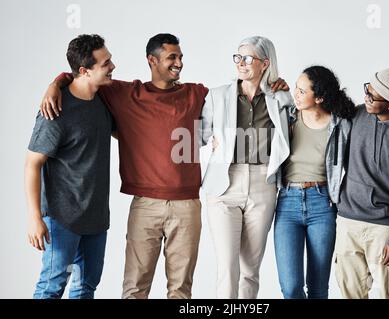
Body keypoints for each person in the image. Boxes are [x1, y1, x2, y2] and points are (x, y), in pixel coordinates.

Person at [40, 33, 287, 299]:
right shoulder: (125, 93)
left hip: (187, 204)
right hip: (145, 204)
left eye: (180, 57)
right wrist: (56, 83)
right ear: (152, 60)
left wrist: (275, 84)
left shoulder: (197, 94)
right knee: (135, 286)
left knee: (181, 289)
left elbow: (239, 96)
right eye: (172, 57)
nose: (179, 63)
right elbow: (83, 77)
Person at [199, 36, 293, 298]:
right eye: (238, 57)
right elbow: (199, 134)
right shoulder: (217, 95)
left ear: (265, 63)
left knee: (250, 269)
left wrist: (284, 92)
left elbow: (298, 126)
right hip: (224, 186)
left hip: (264, 184)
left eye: (248, 58)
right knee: (227, 267)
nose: (241, 63)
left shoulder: (280, 97)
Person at [25, 34, 116, 299]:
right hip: (61, 217)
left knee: (86, 287)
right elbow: (32, 163)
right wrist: (35, 218)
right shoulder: (55, 110)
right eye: (106, 63)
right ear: (85, 71)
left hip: (96, 218)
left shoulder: (103, 99)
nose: (113, 66)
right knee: (52, 287)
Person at [335, 68, 389, 299]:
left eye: (373, 96)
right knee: (349, 294)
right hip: (348, 222)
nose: (366, 97)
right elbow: (323, 103)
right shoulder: (357, 115)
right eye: (367, 89)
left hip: (384, 229)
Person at [273, 66, 355, 299]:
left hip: (323, 205)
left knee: (318, 288)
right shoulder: (286, 117)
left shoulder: (340, 126)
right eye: (295, 89)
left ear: (319, 98)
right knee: (291, 287)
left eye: (301, 91)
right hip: (287, 203)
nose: (295, 95)